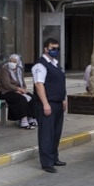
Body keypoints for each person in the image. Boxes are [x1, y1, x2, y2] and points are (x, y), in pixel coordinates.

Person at [32, 38, 67, 173]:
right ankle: (47, 162)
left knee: (56, 132)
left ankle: (54, 157)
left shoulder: (56, 64)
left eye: (57, 49)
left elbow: (60, 83)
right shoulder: (40, 65)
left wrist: (63, 99)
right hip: (47, 104)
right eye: (52, 48)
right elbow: (39, 85)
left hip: (58, 102)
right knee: (46, 133)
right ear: (46, 49)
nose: (55, 51)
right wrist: (45, 103)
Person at [0, 54, 37, 129]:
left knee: (32, 97)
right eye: (10, 61)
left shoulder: (19, 70)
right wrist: (18, 89)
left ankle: (30, 117)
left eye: (14, 61)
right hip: (5, 91)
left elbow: (23, 83)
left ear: (18, 62)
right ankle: (23, 120)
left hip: (17, 90)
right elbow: (6, 84)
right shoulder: (5, 69)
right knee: (21, 99)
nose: (12, 63)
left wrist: (23, 89)